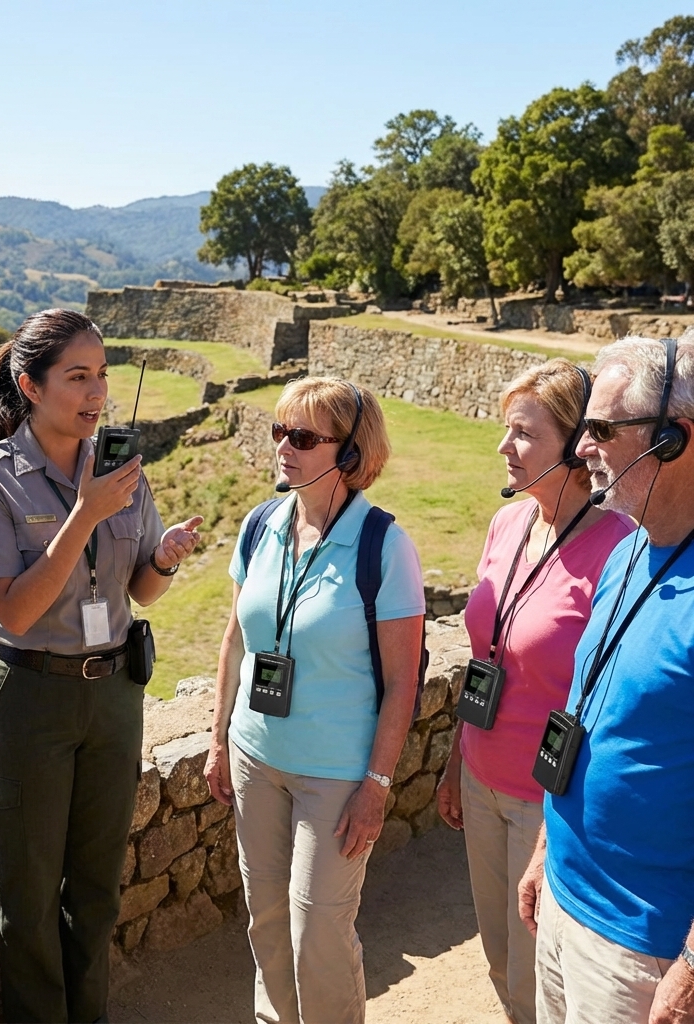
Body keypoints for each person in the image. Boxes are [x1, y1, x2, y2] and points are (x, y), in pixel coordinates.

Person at [0, 308, 203, 1023]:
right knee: (29, 902)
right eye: (77, 377)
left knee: (96, 892)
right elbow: (15, 613)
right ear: (30, 386)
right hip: (32, 699)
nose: (97, 393)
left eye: (102, 376)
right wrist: (86, 513)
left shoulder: (123, 469)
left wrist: (164, 557)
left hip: (115, 696)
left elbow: (139, 590)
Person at [204, 376, 426, 1024]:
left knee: (318, 934)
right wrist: (219, 739)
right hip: (255, 759)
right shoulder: (260, 525)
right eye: (279, 431)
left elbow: (404, 681)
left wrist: (377, 786)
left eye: (301, 437)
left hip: (335, 777)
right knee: (267, 922)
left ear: (351, 455)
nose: (283, 447)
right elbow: (235, 641)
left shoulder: (384, 546)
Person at [434, 359, 634, 1024]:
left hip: (551, 805)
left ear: (578, 446)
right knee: (500, 961)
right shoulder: (508, 525)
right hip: (481, 780)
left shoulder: (621, 549)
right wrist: (456, 760)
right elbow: (487, 657)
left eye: (523, 433)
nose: (503, 447)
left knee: (541, 978)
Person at [518, 334, 694, 1024]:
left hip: (642, 948)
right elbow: (585, 714)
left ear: (673, 440)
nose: (582, 447)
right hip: (566, 900)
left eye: (599, 430)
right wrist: (544, 851)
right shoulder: (627, 548)